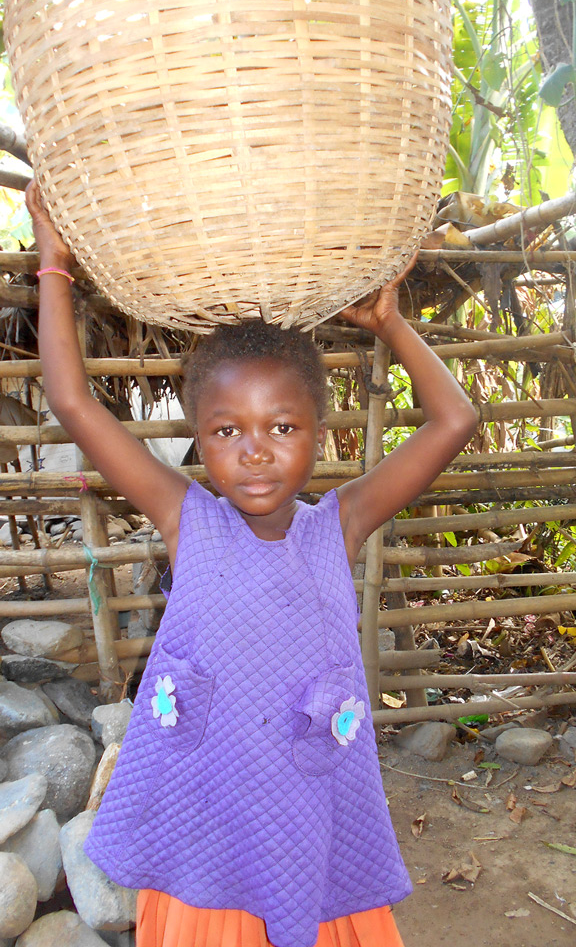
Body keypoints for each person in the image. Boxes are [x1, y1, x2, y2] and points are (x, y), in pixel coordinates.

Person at [26, 180, 477, 947]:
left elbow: (457, 418)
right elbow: (72, 402)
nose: (256, 449)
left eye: (283, 425)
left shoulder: (342, 524)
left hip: (308, 822)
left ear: (317, 430)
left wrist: (390, 324)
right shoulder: (185, 518)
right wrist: (55, 264)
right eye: (228, 430)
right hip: (209, 830)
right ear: (199, 438)